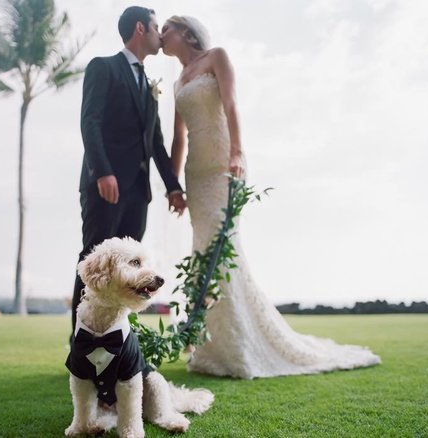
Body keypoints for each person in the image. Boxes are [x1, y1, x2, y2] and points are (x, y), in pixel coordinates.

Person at [160, 16, 381, 379]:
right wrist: (174, 185)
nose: (161, 36)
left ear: (185, 32)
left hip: (221, 168)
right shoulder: (177, 81)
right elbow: (178, 138)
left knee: (223, 249)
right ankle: (211, 346)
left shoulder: (217, 57)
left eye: (166, 28)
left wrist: (237, 152)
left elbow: (231, 106)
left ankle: (239, 347)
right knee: (202, 253)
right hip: (195, 177)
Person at [71, 7, 186, 332]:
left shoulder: (149, 85)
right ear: (140, 28)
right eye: (155, 27)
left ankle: (116, 341)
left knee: (129, 273)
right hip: (104, 186)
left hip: (138, 193)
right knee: (94, 264)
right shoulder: (103, 67)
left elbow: (157, 144)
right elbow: (89, 122)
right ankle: (81, 342)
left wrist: (173, 188)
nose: (160, 35)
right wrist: (103, 172)